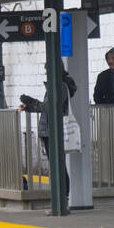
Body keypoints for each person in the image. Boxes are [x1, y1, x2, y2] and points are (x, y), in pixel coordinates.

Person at [18, 64, 76, 201]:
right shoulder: (54, 86)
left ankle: (62, 198)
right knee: (56, 164)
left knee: (58, 165)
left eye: (47, 69)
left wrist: (30, 100)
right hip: (49, 131)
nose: (45, 72)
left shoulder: (60, 86)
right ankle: (61, 197)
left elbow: (49, 108)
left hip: (54, 131)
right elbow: (45, 108)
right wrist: (29, 107)